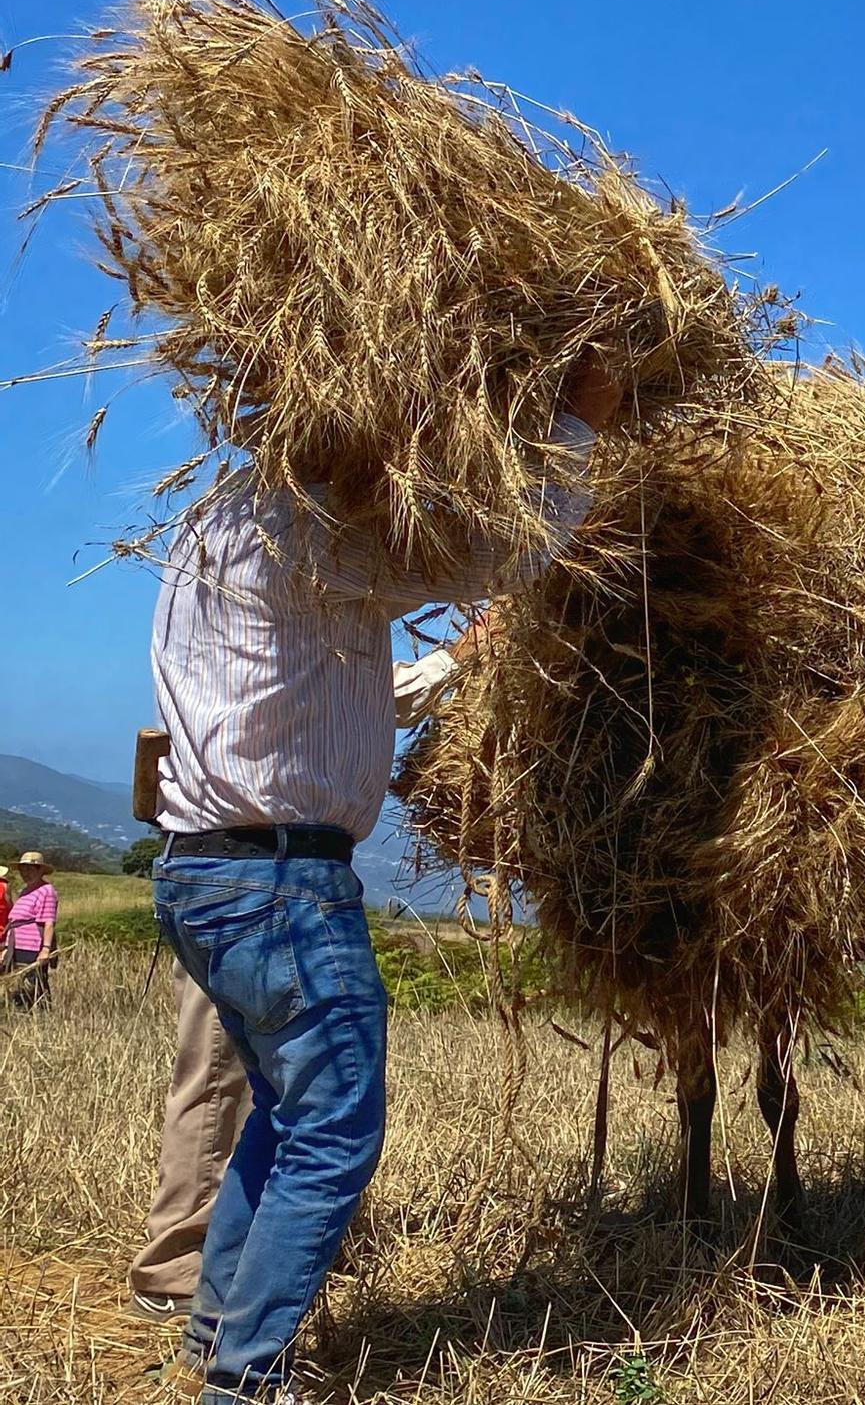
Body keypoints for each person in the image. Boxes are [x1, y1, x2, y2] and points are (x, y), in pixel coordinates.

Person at [149, 363, 620, 1405]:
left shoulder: (210, 524)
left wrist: (452, 658)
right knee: (336, 1130)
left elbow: (324, 679)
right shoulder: (305, 528)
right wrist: (577, 426)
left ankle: (214, 1336)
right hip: (280, 886)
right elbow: (510, 551)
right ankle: (246, 1377)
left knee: (282, 1110)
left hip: (201, 874)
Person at [129, 611, 477, 1322]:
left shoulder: (218, 596)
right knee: (238, 1085)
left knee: (266, 1095)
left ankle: (225, 1290)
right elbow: (367, 699)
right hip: (257, 876)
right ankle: (181, 1275)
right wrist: (461, 655)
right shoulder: (262, 620)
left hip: (220, 875)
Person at [5, 852, 59, 1008]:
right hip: (18, 944)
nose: (25, 874)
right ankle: (22, 1016)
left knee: (35, 984)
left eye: (30, 870)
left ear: (40, 870)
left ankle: (43, 1018)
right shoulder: (25, 891)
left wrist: (46, 949)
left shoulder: (46, 891)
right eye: (23, 870)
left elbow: (48, 922)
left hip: (33, 945)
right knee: (19, 984)